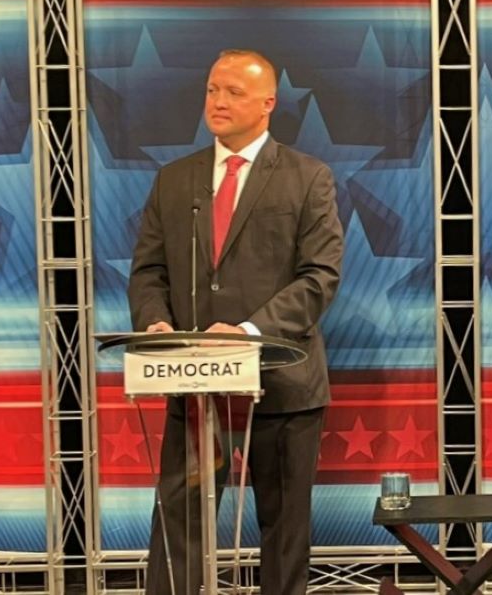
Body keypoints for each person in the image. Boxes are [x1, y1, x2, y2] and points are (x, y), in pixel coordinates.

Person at [128, 49, 343, 594]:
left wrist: (248, 333)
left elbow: (319, 277)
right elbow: (148, 271)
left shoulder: (307, 178)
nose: (218, 102)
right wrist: (156, 325)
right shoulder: (175, 181)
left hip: (281, 386)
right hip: (195, 388)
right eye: (211, 90)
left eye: (234, 92)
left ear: (268, 103)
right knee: (179, 523)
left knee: (283, 529)